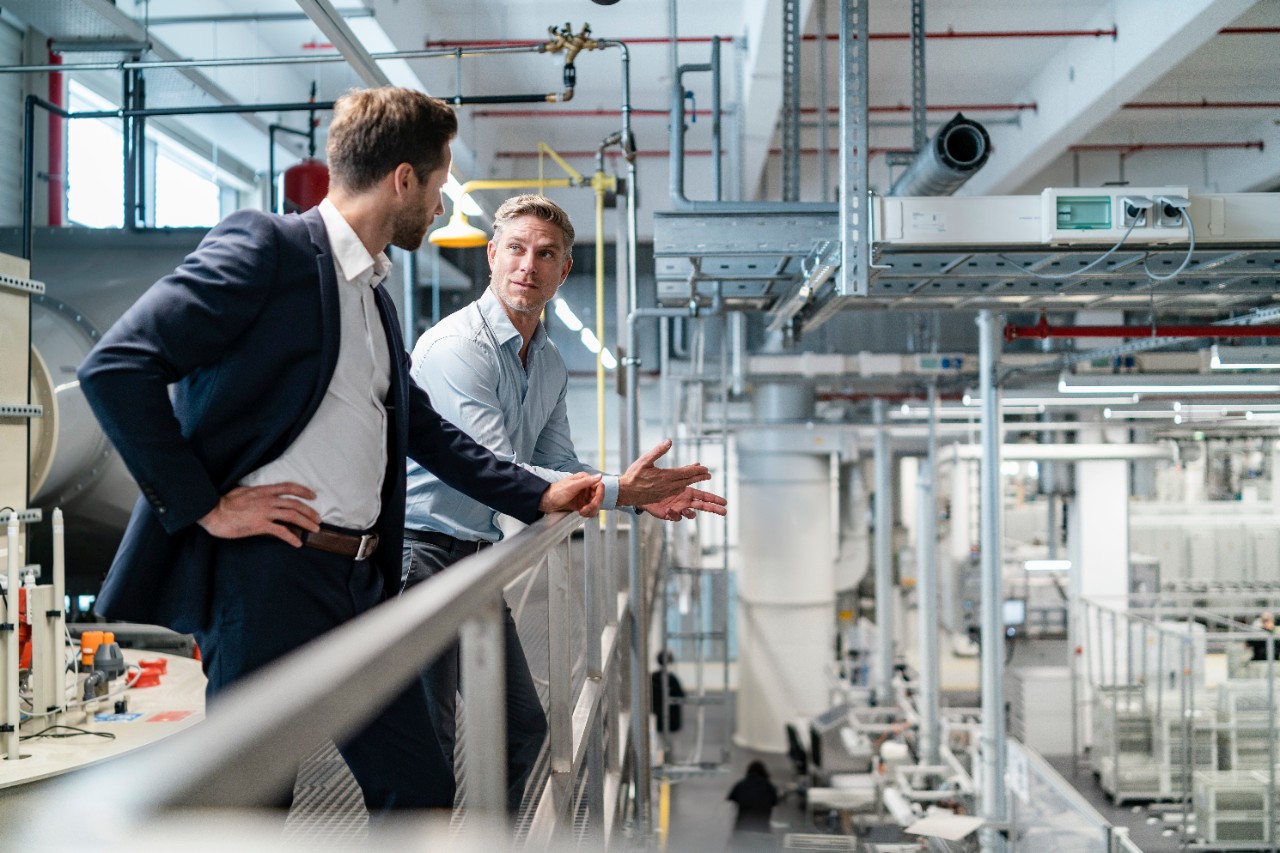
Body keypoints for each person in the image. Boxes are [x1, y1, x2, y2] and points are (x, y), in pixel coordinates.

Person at [75, 87, 603, 816]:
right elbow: (117, 366)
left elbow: (420, 428)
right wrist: (204, 503)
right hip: (268, 577)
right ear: (404, 179)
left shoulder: (373, 294)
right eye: (441, 182)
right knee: (252, 805)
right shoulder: (270, 249)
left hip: (359, 581)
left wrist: (539, 494)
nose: (442, 203)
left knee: (417, 788)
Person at [401, 193, 728, 814]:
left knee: (521, 728)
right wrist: (619, 490)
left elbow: (558, 463)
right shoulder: (457, 348)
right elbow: (494, 472)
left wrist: (632, 498)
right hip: (414, 556)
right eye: (517, 249)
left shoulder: (547, 359)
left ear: (564, 270)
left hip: (472, 558)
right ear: (492, 256)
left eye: (545, 254)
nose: (529, 265)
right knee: (426, 752)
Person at [727, 761, 779, 848]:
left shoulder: (741, 785)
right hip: (763, 830)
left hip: (741, 830)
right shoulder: (769, 787)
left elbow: (732, 800)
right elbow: (775, 802)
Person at [651, 648, 685, 734]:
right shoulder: (672, 679)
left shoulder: (653, 677)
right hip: (672, 723)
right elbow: (681, 696)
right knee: (670, 745)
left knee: (658, 744)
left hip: (657, 722)